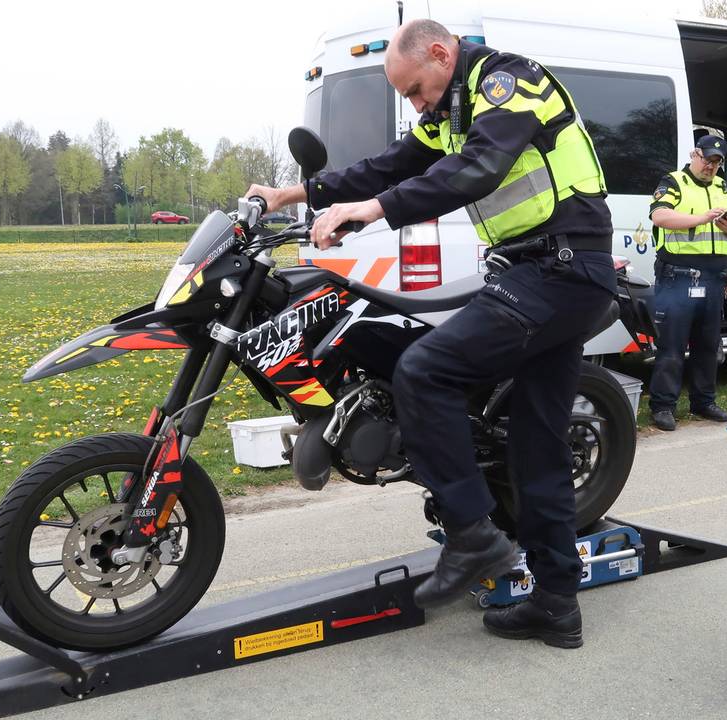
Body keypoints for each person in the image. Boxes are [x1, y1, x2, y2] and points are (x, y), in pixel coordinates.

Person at [246, 19, 614, 649]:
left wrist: (373, 212)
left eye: (415, 90)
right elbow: (392, 164)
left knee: (425, 369)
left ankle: (473, 535)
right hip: (550, 274)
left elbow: (476, 169)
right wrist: (296, 193)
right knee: (537, 448)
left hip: (559, 268)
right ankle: (557, 606)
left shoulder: (509, 82)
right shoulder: (450, 107)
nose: (415, 105)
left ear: (441, 54)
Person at [647, 135, 727, 431]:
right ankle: (663, 406)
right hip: (678, 276)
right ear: (695, 154)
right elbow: (660, 216)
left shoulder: (723, 186)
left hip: (714, 278)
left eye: (717, 161)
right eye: (707, 159)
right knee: (672, 346)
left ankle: (704, 401)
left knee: (707, 345)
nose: (711, 166)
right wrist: (703, 218)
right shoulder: (674, 181)